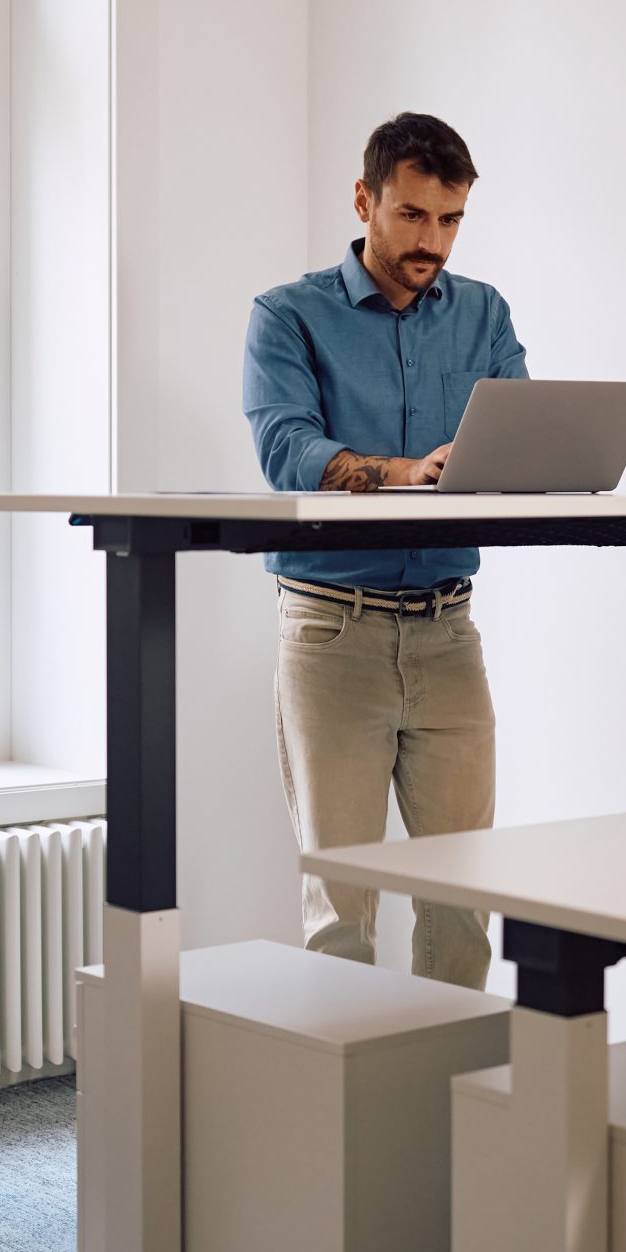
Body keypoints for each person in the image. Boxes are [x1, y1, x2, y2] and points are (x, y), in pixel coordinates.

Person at [242, 113, 528, 986]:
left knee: (463, 903)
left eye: (449, 220)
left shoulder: (482, 313)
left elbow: (515, 434)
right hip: (334, 635)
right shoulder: (287, 316)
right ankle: (350, 1119)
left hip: (448, 631)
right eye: (411, 215)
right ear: (364, 199)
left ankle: (451, 1105)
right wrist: (407, 472)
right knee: (343, 909)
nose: (430, 241)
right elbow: (287, 448)